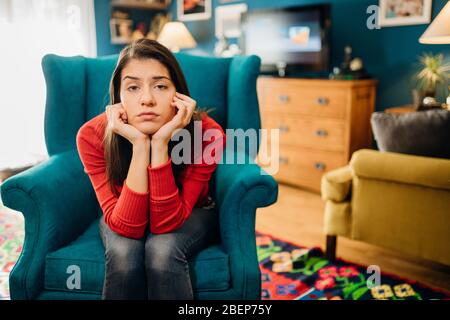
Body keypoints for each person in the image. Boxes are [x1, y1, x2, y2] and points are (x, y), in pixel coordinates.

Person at [76, 38, 226, 300]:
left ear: (178, 94)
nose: (147, 99)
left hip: (191, 212)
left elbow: (165, 224)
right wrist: (139, 144)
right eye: (133, 87)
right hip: (123, 210)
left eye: (160, 86)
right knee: (123, 252)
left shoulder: (208, 134)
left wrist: (160, 143)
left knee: (163, 249)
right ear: (118, 97)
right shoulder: (91, 135)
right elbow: (128, 227)